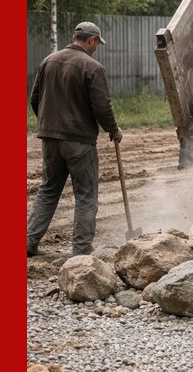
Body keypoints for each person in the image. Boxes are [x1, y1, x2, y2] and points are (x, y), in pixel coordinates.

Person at [27, 21, 122, 257]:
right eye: (97, 43)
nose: (96, 48)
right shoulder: (93, 67)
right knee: (86, 196)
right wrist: (113, 130)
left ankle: (28, 242)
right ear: (91, 40)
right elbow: (102, 106)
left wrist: (50, 125)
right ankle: (81, 252)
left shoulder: (48, 61)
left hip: (50, 137)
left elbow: (35, 99)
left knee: (48, 190)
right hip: (79, 141)